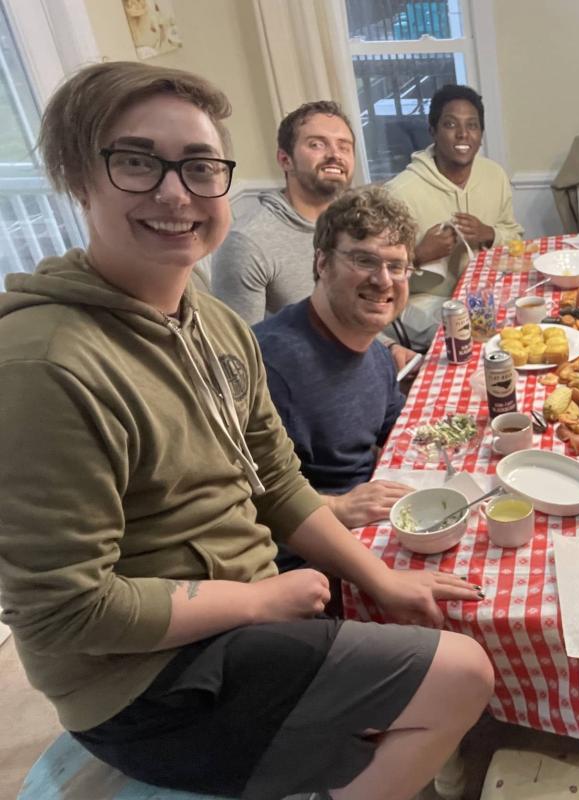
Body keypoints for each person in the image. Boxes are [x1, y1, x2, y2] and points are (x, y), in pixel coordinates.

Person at [0, 61, 493, 800]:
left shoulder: (218, 327)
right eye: (137, 162)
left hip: (235, 614)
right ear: (78, 178)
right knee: (463, 676)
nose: (176, 193)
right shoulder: (44, 364)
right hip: (143, 687)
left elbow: (278, 482)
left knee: (430, 637)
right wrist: (263, 601)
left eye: (199, 167)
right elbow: (70, 613)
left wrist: (383, 580)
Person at [255, 185, 417, 533]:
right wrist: (339, 507)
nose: (383, 279)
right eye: (364, 260)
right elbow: (244, 496)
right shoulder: (270, 367)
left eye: (396, 265)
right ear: (322, 262)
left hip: (372, 516)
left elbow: (400, 431)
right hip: (308, 549)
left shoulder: (376, 354)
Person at [386, 84, 522, 351]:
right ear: (433, 131)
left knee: (533, 316)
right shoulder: (399, 193)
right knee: (479, 332)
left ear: (481, 134)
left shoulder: (494, 175)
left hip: (487, 292)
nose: (463, 134)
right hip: (423, 300)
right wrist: (419, 254)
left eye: (472, 125)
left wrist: (490, 234)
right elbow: (377, 276)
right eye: (450, 124)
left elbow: (515, 236)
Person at [211, 101, 353, 324]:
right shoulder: (247, 243)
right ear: (285, 160)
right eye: (317, 144)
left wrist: (392, 347)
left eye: (344, 146)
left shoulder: (355, 221)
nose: (335, 154)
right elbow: (242, 351)